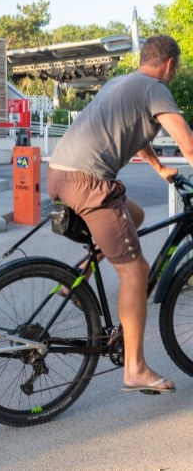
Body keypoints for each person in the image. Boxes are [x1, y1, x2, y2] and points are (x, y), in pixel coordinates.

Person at [47, 34, 193, 394]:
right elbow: (187, 141)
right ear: (170, 64)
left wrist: (158, 167)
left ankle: (79, 275)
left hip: (58, 172)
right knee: (136, 272)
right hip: (89, 182)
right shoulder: (156, 88)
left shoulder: (121, 83)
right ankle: (135, 369)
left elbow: (136, 130)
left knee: (135, 215)